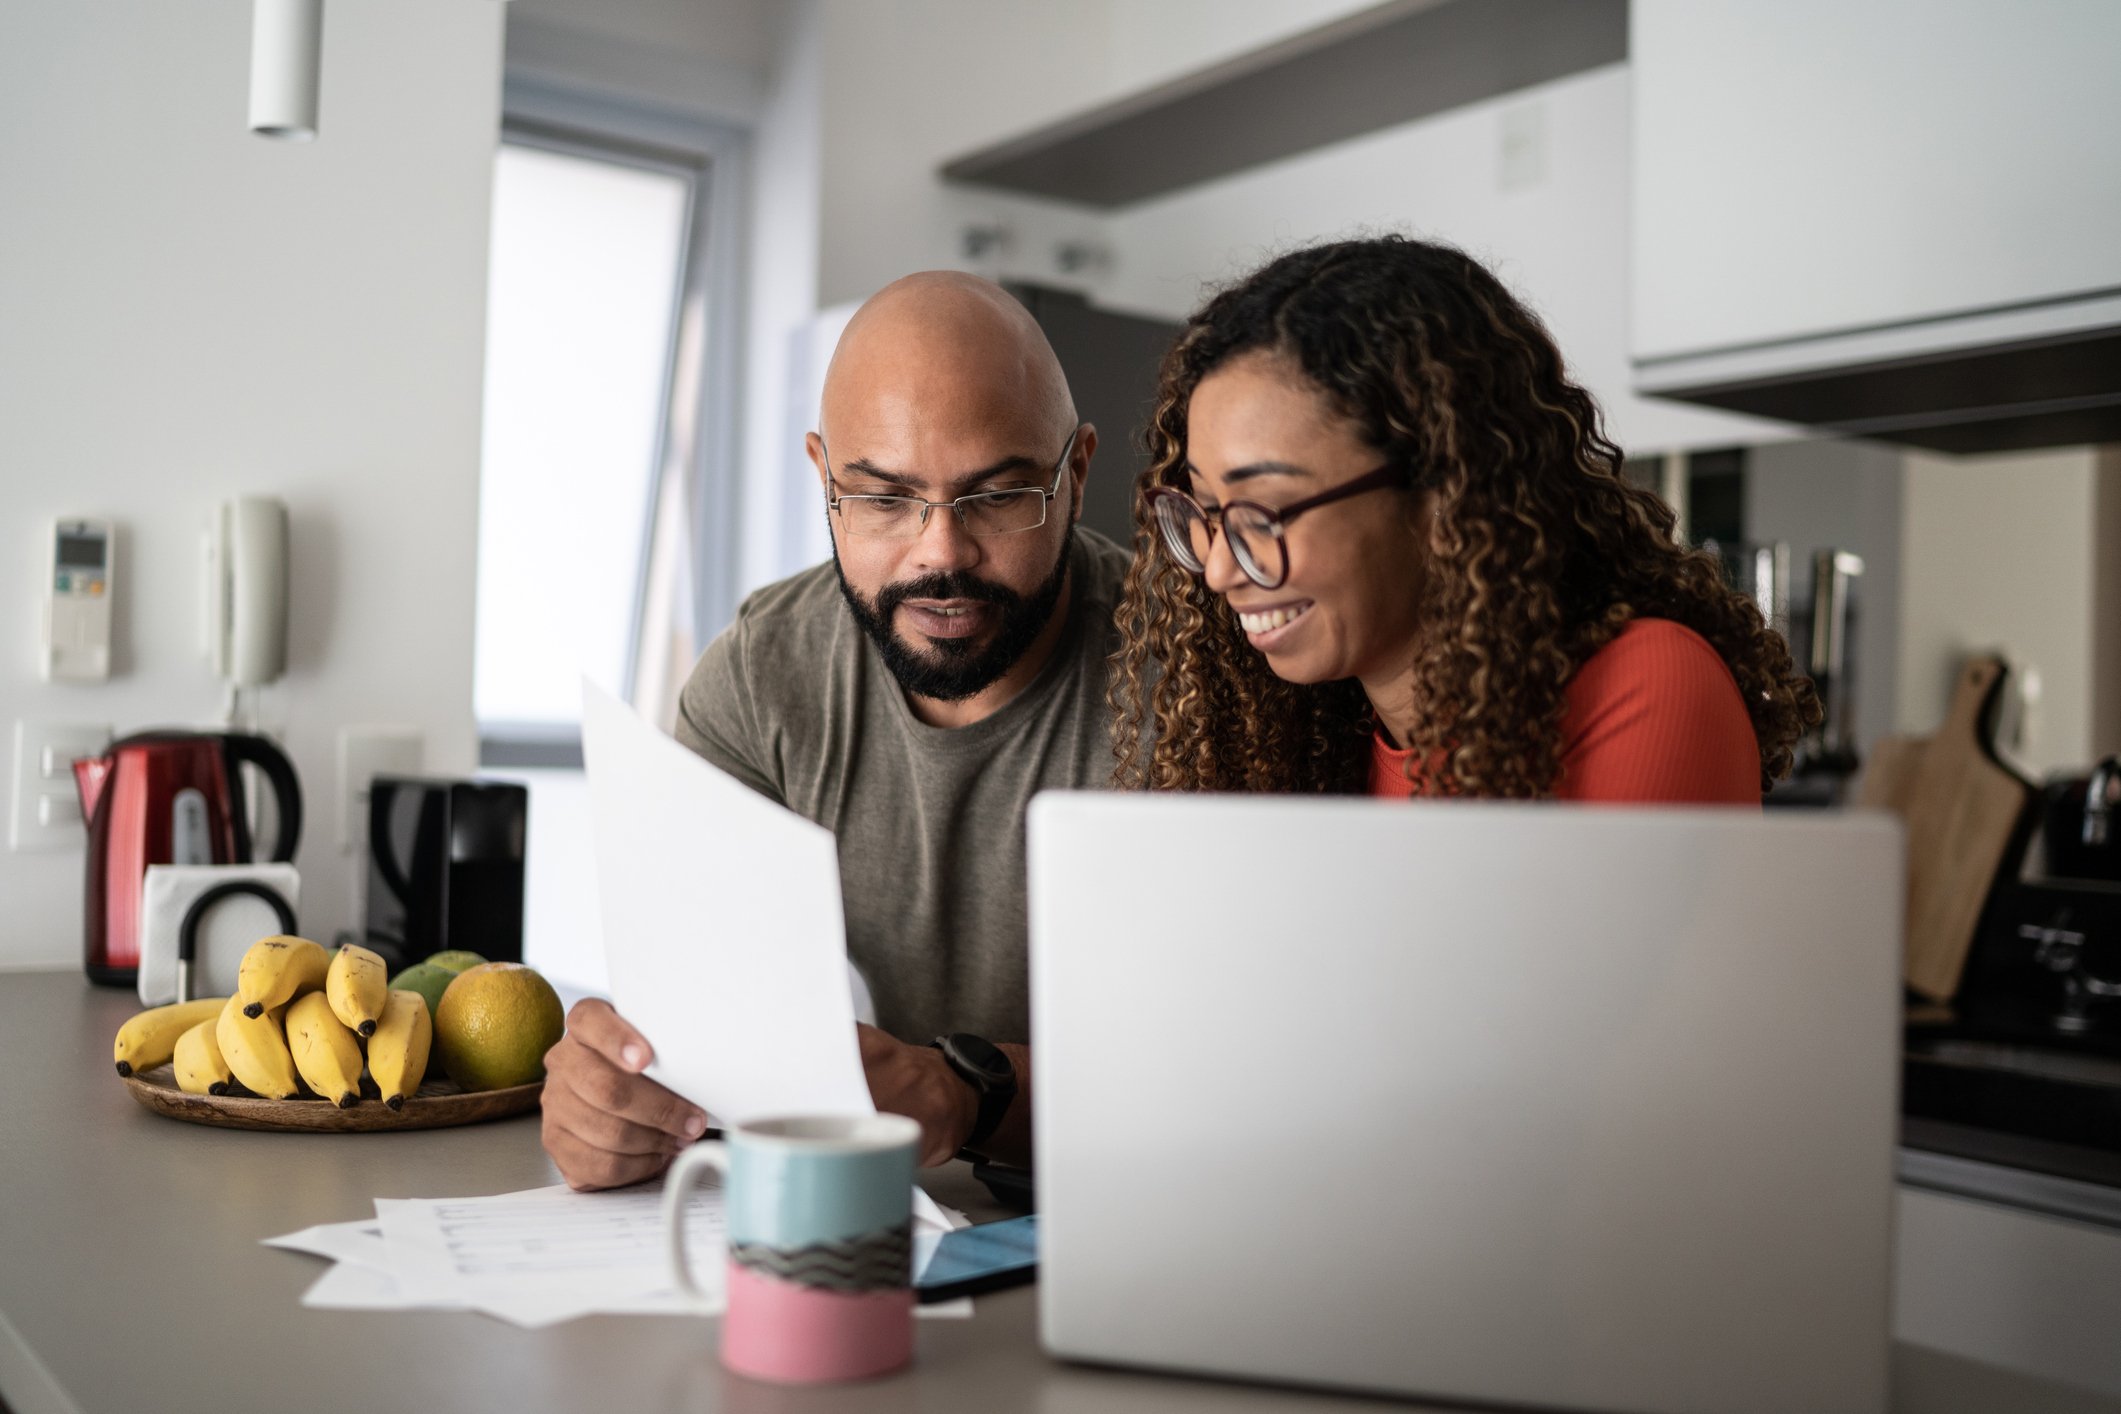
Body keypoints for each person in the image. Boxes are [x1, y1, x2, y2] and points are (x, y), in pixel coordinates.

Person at [542, 272, 1129, 1189]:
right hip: (898, 1223)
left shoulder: (1198, 677)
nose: (939, 552)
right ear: (823, 478)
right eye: (884, 500)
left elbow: (1253, 1067)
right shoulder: (761, 674)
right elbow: (696, 1026)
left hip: (1162, 1212)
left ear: (1077, 474)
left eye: (996, 496)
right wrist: (617, 1100)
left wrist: (962, 1090)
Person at [1110, 235, 1820, 800]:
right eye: (1205, 512)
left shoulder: (1645, 688)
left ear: (1442, 497)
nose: (1217, 566)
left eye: (1263, 511)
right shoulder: (1310, 735)